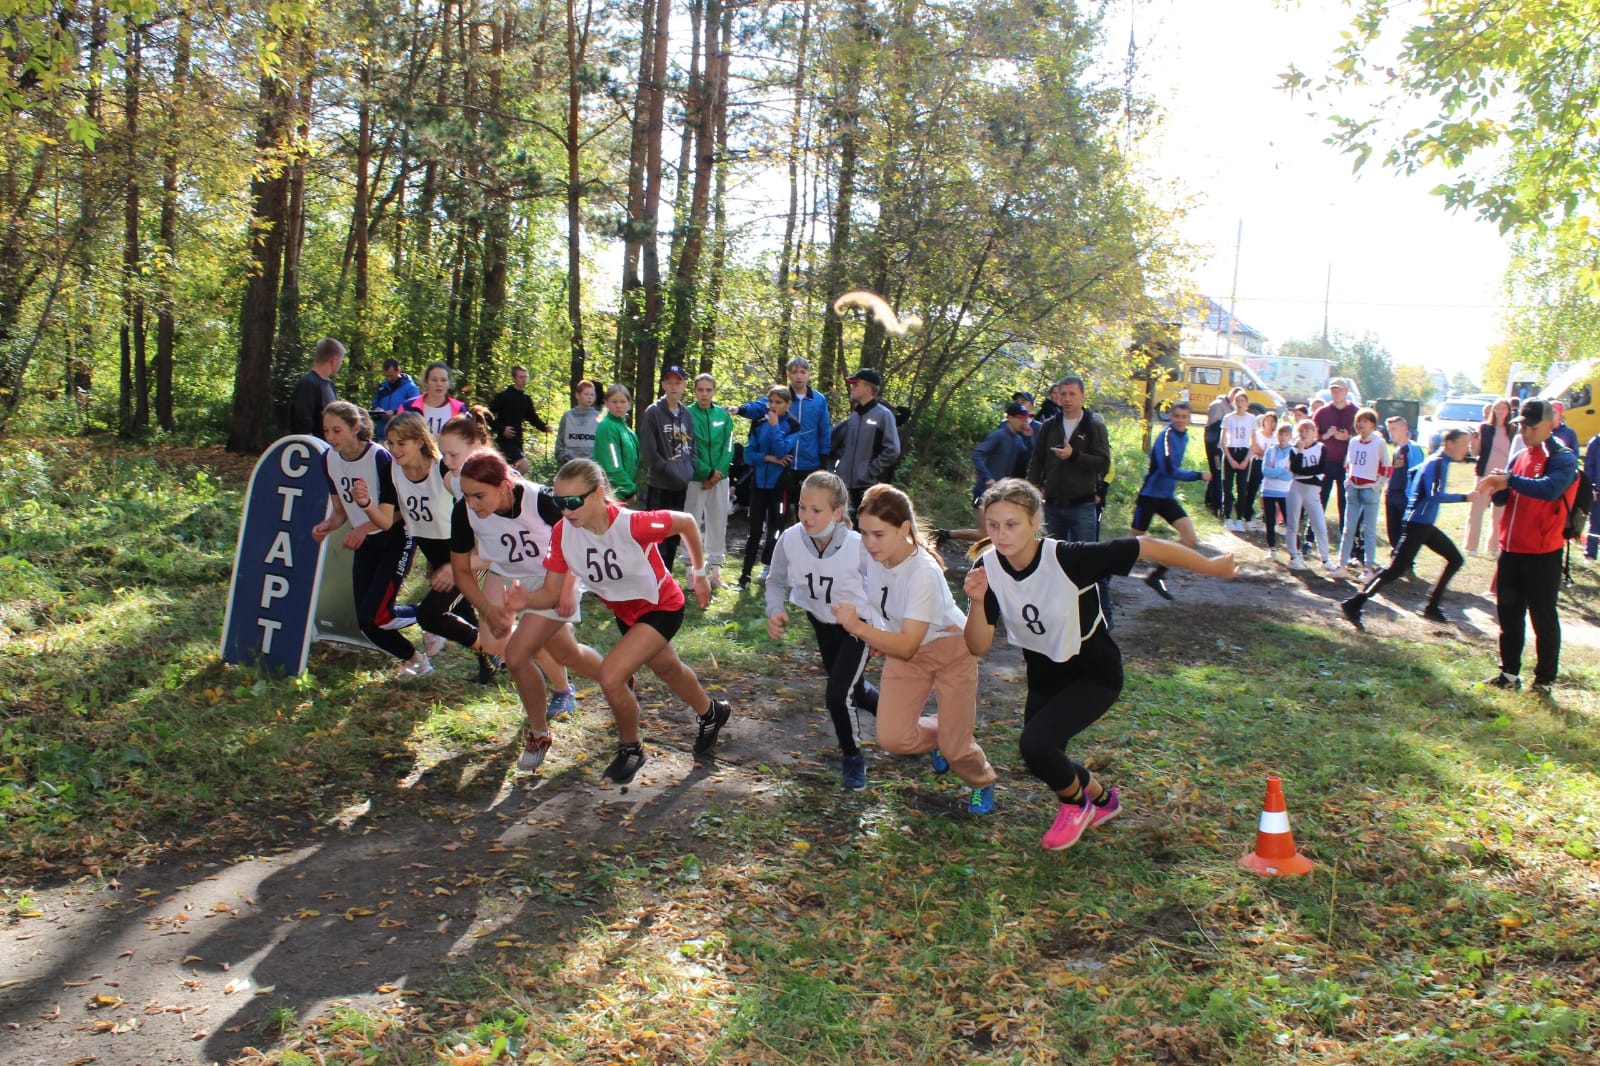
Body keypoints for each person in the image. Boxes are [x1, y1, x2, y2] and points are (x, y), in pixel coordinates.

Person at [963, 479, 1238, 849]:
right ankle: (1104, 801)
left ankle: (1076, 805)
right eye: (993, 525)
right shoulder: (988, 568)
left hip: (1095, 674)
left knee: (1036, 746)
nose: (1000, 535)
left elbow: (1147, 546)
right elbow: (978, 646)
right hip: (1045, 677)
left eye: (1011, 524)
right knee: (1042, 755)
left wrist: (1210, 566)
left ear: (1035, 520)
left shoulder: (1068, 559)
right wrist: (978, 602)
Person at [507, 459, 733, 786]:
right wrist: (523, 602)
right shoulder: (562, 533)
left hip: (662, 606)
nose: (566, 510)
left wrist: (699, 574)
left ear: (599, 494)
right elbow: (551, 593)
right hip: (628, 614)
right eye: (559, 502)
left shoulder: (633, 525)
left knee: (612, 676)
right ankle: (712, 713)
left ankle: (631, 748)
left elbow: (685, 522)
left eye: (573, 501)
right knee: (667, 668)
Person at [831, 484, 998, 816]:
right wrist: (880, 635)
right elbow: (895, 624)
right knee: (894, 738)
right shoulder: (877, 557)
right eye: (864, 533)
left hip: (951, 650)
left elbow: (907, 645)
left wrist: (858, 628)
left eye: (878, 534)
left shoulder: (923, 572)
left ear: (904, 529)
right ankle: (945, 731)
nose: (869, 542)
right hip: (908, 652)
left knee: (956, 748)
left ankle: (982, 781)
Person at [451, 451, 603, 770]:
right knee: (495, 644)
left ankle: (610, 677)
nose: (473, 503)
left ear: (505, 485)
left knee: (560, 654)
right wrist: (484, 608)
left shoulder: (543, 500)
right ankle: (540, 730)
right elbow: (462, 571)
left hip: (552, 575)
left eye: (480, 495)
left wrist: (565, 590)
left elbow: (578, 541)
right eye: (466, 494)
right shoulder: (463, 512)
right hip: (506, 573)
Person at [765, 471, 880, 790]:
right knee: (853, 689)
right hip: (821, 623)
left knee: (836, 695)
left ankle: (853, 756)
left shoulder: (858, 547)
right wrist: (775, 610)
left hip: (858, 628)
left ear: (837, 513)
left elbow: (883, 588)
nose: (806, 516)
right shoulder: (790, 539)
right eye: (802, 507)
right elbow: (774, 580)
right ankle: (901, 718)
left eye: (816, 510)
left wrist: (881, 629)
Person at [309, 402, 428, 678]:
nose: (330, 437)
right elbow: (340, 512)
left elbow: (401, 512)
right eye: (326, 430)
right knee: (366, 623)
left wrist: (363, 527)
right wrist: (326, 526)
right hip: (368, 545)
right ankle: (416, 659)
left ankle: (432, 617)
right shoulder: (328, 460)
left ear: (355, 428)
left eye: (337, 430)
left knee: (379, 615)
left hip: (396, 538)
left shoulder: (380, 458)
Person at [1475, 400, 1581, 692]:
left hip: (1542, 553)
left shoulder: (1562, 457)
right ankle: (1508, 675)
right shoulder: (1520, 455)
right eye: (1522, 425)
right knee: (1509, 615)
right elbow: (1506, 495)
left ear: (1551, 424)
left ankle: (1544, 681)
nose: (1526, 431)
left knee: (1543, 617)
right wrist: (1497, 488)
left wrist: (1510, 480)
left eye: (1532, 427)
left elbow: (1550, 489)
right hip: (1511, 550)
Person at [1341, 429, 1472, 630]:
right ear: (1450, 443)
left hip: (1423, 524)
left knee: (1455, 559)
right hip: (1417, 524)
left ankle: (1432, 605)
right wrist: (1465, 497)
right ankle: (1354, 603)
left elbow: (1413, 473)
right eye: (1464, 443)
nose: (1467, 448)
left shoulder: (1437, 461)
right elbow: (1434, 495)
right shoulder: (1437, 462)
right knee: (1395, 569)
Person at [382, 412, 477, 667]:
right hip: (431, 549)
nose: (394, 450)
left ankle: (509, 652)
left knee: (434, 613)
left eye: (401, 443)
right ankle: (492, 656)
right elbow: (394, 514)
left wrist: (460, 561)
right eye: (390, 443)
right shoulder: (393, 469)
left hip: (460, 550)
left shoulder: (442, 466)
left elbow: (469, 507)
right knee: (462, 610)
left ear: (419, 441)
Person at [437, 408, 504, 683]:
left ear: (476, 446)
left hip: (522, 560)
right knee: (493, 636)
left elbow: (505, 548)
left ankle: (564, 687)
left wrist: (460, 567)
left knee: (542, 634)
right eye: (444, 454)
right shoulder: (452, 479)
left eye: (454, 455)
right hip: (490, 558)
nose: (448, 461)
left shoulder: (500, 480)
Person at [1128, 401, 1213, 600]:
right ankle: (1101, 578)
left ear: (1190, 418)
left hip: (1166, 497)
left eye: (1184, 417)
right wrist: (1198, 475)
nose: (1181, 420)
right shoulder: (1166, 436)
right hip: (1149, 496)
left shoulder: (1184, 437)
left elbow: (1172, 469)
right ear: (1171, 417)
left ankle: (1156, 575)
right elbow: (1167, 469)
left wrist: (1174, 484)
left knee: (1190, 538)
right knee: (1131, 545)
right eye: (1177, 416)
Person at [738, 357, 834, 525]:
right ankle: (777, 545)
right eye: (795, 372)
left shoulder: (819, 400)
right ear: (788, 374)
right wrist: (740, 409)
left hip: (809, 463)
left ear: (809, 374)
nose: (799, 376)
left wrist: (823, 462)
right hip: (782, 465)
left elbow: (824, 431)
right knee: (779, 512)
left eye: (803, 372)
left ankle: (806, 546)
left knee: (806, 509)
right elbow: (759, 407)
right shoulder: (781, 396)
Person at [1027, 376, 1112, 543]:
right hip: (1052, 503)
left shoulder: (1093, 426)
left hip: (1082, 504)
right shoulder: (1049, 425)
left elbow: (1103, 463)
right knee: (1052, 555)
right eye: (1063, 394)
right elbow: (1037, 459)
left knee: (1084, 557)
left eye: (1072, 394)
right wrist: (1033, 488)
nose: (1066, 399)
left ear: (1082, 395)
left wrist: (1074, 456)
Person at [740, 385, 800, 589]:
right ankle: (745, 575)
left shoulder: (793, 424)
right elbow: (748, 455)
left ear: (788, 404)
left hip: (779, 486)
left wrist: (775, 428)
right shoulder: (758, 423)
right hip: (759, 483)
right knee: (755, 529)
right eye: (771, 402)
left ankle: (769, 567)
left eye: (778, 402)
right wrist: (767, 458)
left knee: (776, 528)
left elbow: (783, 450)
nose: (773, 406)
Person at [638, 364, 697, 572]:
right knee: (656, 530)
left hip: (680, 483)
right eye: (669, 382)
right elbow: (649, 449)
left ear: (684, 385)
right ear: (663, 384)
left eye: (677, 383)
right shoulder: (654, 412)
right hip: (660, 483)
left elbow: (692, 446)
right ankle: (652, 572)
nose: (673, 387)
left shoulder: (686, 414)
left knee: (674, 529)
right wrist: (667, 468)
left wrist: (689, 467)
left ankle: (668, 572)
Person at [831, 367, 901, 515]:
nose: (852, 388)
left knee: (865, 528)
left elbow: (893, 449)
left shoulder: (884, 415)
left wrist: (870, 471)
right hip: (846, 485)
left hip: (869, 486)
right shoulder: (854, 417)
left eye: (856, 384)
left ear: (868, 388)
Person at [686, 374, 734, 588]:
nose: (704, 394)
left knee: (718, 521)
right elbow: (687, 448)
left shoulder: (723, 416)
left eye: (708, 390)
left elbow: (729, 446)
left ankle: (715, 571)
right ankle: (691, 571)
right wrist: (706, 473)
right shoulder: (686, 414)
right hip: (695, 478)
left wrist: (718, 473)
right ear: (694, 391)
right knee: (690, 522)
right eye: (700, 390)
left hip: (720, 479)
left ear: (714, 391)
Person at [1337, 407, 1388, 583]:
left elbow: (1386, 466)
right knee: (1348, 527)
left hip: (1369, 489)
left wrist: (1377, 484)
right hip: (1354, 488)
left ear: (1373, 424)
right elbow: (1348, 463)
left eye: (1365, 421)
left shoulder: (1379, 443)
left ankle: (1368, 567)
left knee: (1369, 530)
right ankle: (1341, 564)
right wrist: (1348, 480)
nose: (1360, 424)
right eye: (1358, 421)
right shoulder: (1353, 442)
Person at [1286, 417, 1335, 574]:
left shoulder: (1321, 448)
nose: (1304, 434)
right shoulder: (1294, 450)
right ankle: (1294, 555)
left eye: (1308, 430)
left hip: (1312, 490)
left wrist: (1304, 472)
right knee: (1293, 522)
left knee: (1319, 523)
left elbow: (1320, 468)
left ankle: (1325, 558)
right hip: (1296, 487)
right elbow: (1296, 469)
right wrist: (1300, 453)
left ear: (1315, 433)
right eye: (1301, 431)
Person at [1466, 398, 1512, 557]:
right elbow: (1476, 452)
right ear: (1493, 410)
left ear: (1508, 411)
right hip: (1484, 474)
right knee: (1477, 510)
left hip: (1502, 477)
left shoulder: (1512, 429)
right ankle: (1472, 546)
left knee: (1499, 513)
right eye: (1498, 408)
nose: (1500, 411)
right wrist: (1473, 441)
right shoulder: (1485, 428)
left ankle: (1493, 547)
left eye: (1503, 409)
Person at [488, 366, 551, 475]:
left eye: (525, 377)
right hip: (504, 441)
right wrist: (502, 429)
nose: (524, 380)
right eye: (521, 377)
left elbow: (532, 417)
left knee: (509, 470)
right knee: (523, 466)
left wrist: (544, 427)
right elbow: (487, 415)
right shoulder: (504, 396)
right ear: (514, 378)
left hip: (518, 440)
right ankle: (507, 486)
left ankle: (506, 488)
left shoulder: (526, 398)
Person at [1314, 378, 1358, 534]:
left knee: (1345, 502)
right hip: (1325, 462)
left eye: (1339, 389)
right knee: (1319, 499)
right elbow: (1311, 436)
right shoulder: (1322, 412)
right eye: (1333, 389)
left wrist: (1348, 437)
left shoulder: (1356, 413)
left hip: (1347, 464)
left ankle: (1345, 536)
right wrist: (1325, 436)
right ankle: (1311, 536)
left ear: (1347, 391)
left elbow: (1365, 437)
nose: (1336, 392)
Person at [972, 402, 1033, 505]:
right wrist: (987, 478)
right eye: (1020, 418)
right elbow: (977, 455)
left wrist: (1029, 437)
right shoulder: (998, 435)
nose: (1024, 422)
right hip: (984, 491)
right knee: (983, 521)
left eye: (1025, 418)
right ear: (1009, 417)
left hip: (1002, 493)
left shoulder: (1018, 439)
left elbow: (1028, 457)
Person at [1384, 416, 1425, 555]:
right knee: (1392, 529)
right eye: (1389, 430)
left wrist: (1411, 496)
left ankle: (1407, 562)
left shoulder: (1413, 449)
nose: (1391, 433)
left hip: (1404, 496)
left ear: (1405, 428)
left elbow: (1417, 474)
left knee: (1405, 531)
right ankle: (1395, 555)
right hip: (1393, 494)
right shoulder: (1398, 449)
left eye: (1394, 429)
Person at [593, 383, 640, 505]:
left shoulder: (629, 432)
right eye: (614, 402)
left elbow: (633, 464)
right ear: (607, 403)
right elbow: (611, 465)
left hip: (622, 495)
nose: (619, 405)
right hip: (610, 495)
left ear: (629, 404)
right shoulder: (607, 426)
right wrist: (629, 489)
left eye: (623, 402)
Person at [289, 337, 344, 438]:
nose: (341, 364)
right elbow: (303, 424)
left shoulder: (330, 384)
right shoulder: (307, 384)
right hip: (311, 448)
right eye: (341, 361)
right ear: (334, 360)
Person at [401, 361, 468, 436]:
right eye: (434, 380)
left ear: (449, 383)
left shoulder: (459, 409)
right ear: (426, 382)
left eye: (443, 380)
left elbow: (465, 440)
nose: (439, 384)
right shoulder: (408, 407)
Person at [1259, 421, 1294, 561]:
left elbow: (1290, 475)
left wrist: (1275, 471)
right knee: (1269, 521)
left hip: (1285, 491)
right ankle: (1272, 548)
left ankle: (1294, 551)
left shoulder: (1293, 452)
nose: (1283, 437)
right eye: (1281, 434)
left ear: (1290, 436)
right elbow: (1265, 471)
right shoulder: (1271, 450)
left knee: (1289, 522)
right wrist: (1281, 471)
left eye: (1286, 434)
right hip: (1268, 490)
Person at [370, 357, 419, 441]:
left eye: (391, 376)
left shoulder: (410, 388)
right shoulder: (382, 388)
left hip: (402, 435)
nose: (389, 379)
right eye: (386, 376)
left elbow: (415, 410)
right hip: (383, 436)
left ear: (398, 371)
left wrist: (395, 413)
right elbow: (375, 405)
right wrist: (376, 410)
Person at [555, 379, 602, 463]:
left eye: (592, 395)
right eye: (586, 394)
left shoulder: (598, 417)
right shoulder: (567, 416)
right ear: (577, 395)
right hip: (570, 463)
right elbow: (560, 440)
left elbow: (603, 442)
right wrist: (563, 457)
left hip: (591, 464)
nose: (589, 397)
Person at [1203, 393, 1228, 517]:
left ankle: (1209, 501)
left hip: (1216, 447)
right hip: (1216, 449)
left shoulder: (1223, 406)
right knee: (1217, 474)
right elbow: (1213, 431)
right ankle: (1217, 506)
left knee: (1215, 474)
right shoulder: (1219, 406)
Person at [1586, 429, 1600, 562]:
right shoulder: (1595, 442)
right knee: (1595, 522)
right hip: (1598, 490)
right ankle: (1591, 553)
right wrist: (1591, 488)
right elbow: (1589, 467)